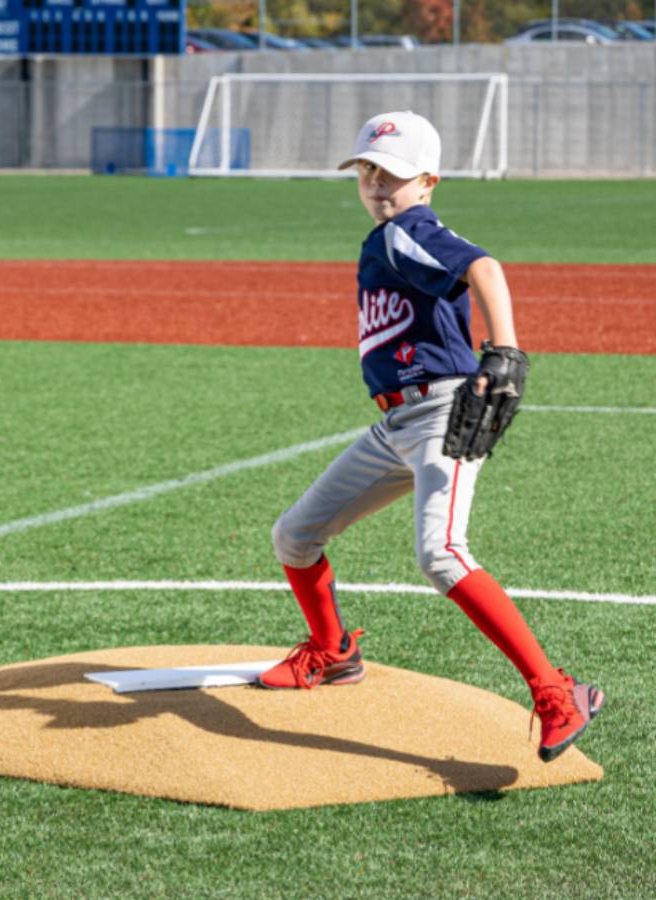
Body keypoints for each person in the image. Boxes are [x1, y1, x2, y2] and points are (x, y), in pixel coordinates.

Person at [256, 110, 604, 763]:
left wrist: (505, 352)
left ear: (428, 181)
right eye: (367, 172)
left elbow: (486, 268)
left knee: (441, 554)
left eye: (393, 174)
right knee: (294, 535)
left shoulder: (410, 230)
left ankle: (557, 693)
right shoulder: (389, 235)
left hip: (442, 411)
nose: (377, 185)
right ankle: (333, 652)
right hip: (397, 424)